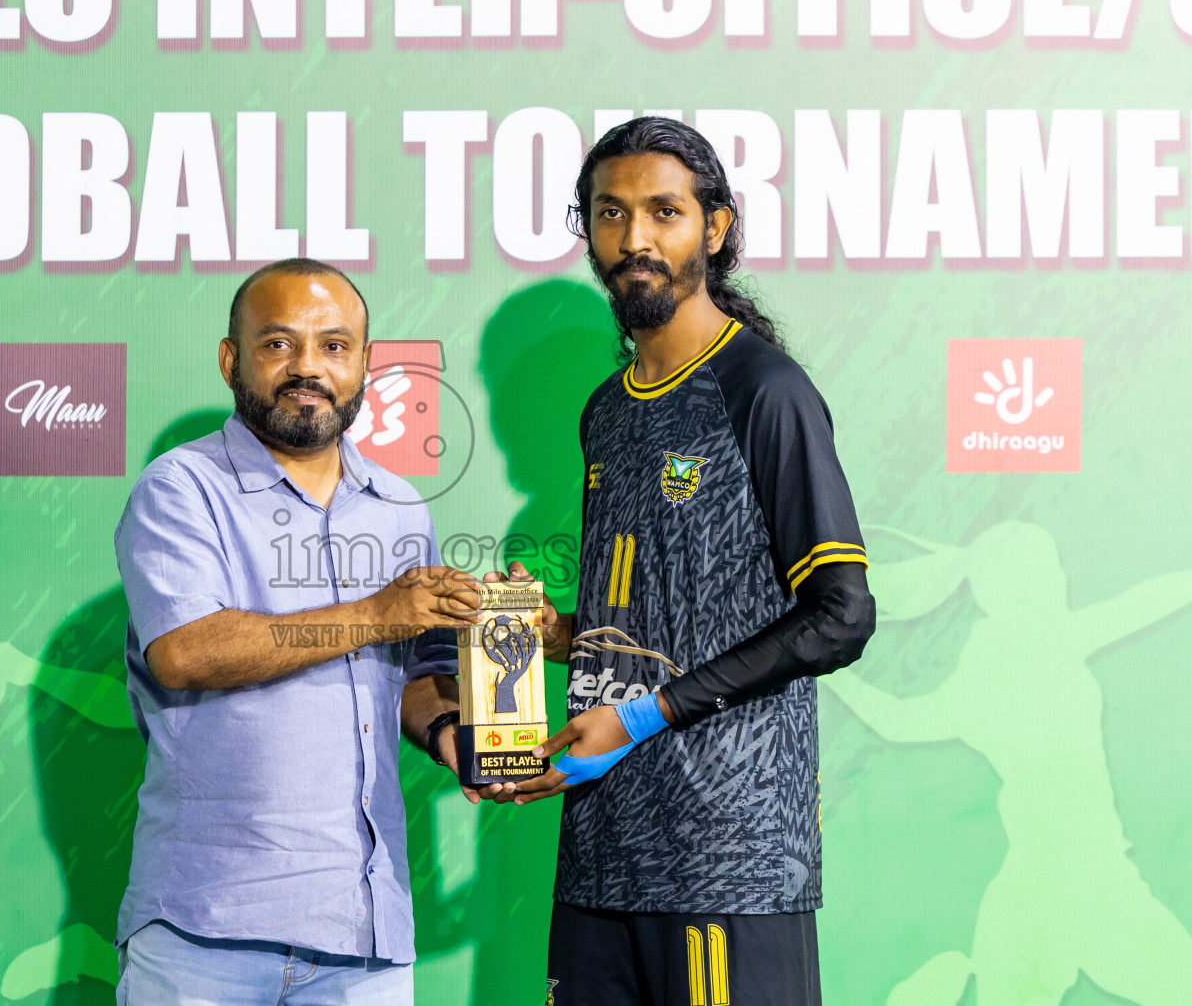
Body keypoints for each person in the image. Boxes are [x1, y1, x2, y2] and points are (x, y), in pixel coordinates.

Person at [486, 117, 877, 1005]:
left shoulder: (764, 390)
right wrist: (560, 638)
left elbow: (840, 615)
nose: (635, 238)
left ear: (717, 227)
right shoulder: (606, 412)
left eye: (664, 211)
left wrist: (642, 718)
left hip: (727, 863)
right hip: (600, 850)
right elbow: (675, 620)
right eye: (610, 213)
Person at [112, 258, 478, 1005]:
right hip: (204, 928)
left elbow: (412, 675)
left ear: (366, 366)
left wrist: (455, 738)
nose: (308, 367)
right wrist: (376, 613)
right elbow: (187, 652)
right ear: (231, 359)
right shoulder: (180, 489)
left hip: (365, 932)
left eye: (335, 347)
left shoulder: (401, 508)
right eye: (279, 344)